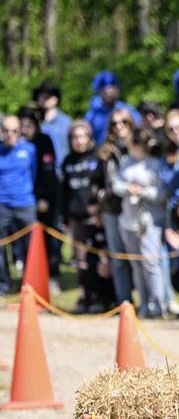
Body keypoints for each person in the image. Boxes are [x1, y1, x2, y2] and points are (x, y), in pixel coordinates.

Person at [112, 129, 169, 316]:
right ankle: (144, 304)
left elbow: (161, 194)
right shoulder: (126, 162)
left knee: (151, 262)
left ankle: (159, 303)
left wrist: (142, 191)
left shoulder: (155, 165)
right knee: (136, 264)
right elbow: (116, 185)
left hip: (150, 219)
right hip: (128, 219)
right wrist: (129, 188)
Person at [18, 106, 62, 290]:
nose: (25, 129)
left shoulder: (44, 141)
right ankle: (28, 277)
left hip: (44, 199)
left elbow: (48, 172)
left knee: (48, 238)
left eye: (29, 125)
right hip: (22, 199)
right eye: (23, 125)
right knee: (23, 241)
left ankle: (52, 276)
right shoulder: (16, 143)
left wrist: (43, 198)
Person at [95, 111, 136, 304]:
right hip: (112, 209)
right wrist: (99, 196)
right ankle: (124, 302)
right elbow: (96, 180)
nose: (119, 126)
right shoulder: (106, 152)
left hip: (136, 208)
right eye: (114, 123)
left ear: (130, 124)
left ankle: (152, 302)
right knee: (118, 259)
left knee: (141, 258)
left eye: (123, 122)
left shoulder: (138, 147)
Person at [60, 121, 102, 312]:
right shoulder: (68, 161)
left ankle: (98, 297)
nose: (79, 140)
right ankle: (84, 296)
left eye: (82, 136)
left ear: (89, 137)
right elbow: (64, 191)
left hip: (96, 217)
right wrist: (65, 218)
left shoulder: (97, 157)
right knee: (81, 260)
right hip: (76, 217)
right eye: (75, 137)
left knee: (98, 258)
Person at [0, 115, 37, 294]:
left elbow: (34, 174)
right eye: (6, 130)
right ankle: (3, 284)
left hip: (25, 204)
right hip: (2, 205)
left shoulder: (30, 150)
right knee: (1, 246)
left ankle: (29, 283)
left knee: (30, 246)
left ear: (19, 130)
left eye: (13, 130)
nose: (10, 134)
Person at [83, 71, 141, 145]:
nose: (109, 93)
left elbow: (139, 130)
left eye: (112, 89)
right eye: (105, 91)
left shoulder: (128, 110)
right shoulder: (92, 115)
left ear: (118, 90)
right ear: (100, 92)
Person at [33, 81, 71, 168]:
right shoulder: (32, 122)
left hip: (61, 172)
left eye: (49, 96)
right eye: (42, 95)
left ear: (56, 99)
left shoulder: (67, 122)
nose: (45, 99)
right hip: (39, 173)